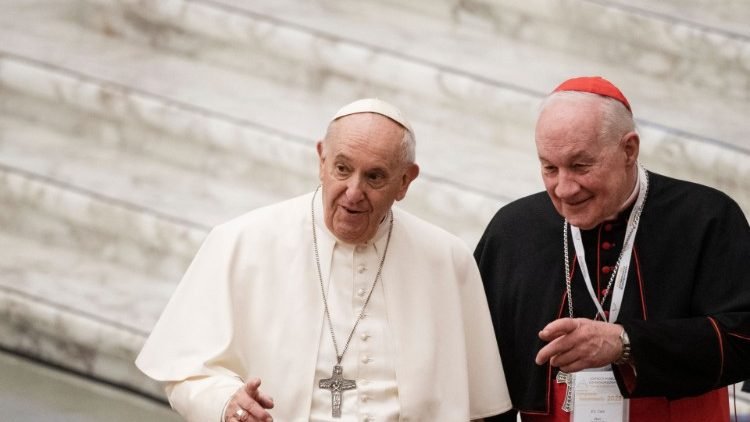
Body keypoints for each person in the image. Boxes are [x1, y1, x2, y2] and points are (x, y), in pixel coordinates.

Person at [136, 98, 512, 421]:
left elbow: (476, 408)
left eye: (375, 177)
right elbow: (185, 373)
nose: (353, 192)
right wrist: (226, 403)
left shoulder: (446, 260)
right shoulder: (242, 241)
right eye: (342, 169)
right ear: (321, 159)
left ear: (405, 182)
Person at [475, 76, 750, 421]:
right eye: (549, 168)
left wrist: (625, 342)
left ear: (629, 150)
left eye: (580, 166)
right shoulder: (512, 230)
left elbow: (744, 336)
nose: (564, 189)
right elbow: (478, 359)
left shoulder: (706, 217)